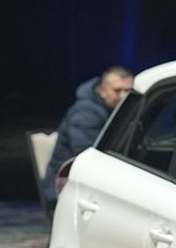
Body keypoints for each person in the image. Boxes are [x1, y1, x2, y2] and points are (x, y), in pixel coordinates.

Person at [42, 66, 134, 202]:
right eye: (117, 91)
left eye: (128, 91)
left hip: (87, 182)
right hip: (66, 188)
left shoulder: (117, 109)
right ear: (102, 91)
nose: (123, 96)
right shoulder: (85, 112)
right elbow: (88, 155)